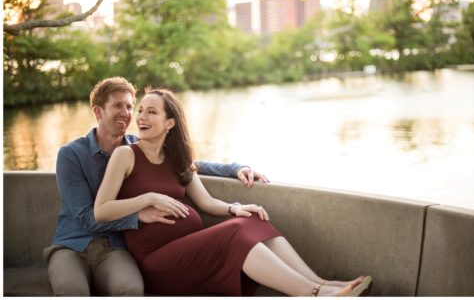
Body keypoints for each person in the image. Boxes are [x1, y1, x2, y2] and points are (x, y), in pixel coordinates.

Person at [93, 87, 371, 297]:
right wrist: (149, 198)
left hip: (190, 251)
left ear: (169, 123)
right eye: (140, 110)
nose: (140, 116)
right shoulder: (125, 155)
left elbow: (206, 201)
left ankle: (320, 283)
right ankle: (311, 294)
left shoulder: (176, 158)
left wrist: (235, 208)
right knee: (233, 234)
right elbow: (101, 210)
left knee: (250, 220)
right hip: (158, 264)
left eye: (151, 112)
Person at [45, 76, 270, 297]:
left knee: (130, 290)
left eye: (130, 106)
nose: (126, 113)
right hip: (72, 244)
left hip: (115, 246)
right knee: (72, 292)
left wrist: (235, 169)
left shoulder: (137, 144)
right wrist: (138, 216)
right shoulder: (71, 154)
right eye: (117, 106)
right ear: (98, 112)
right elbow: (86, 217)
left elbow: (186, 164)